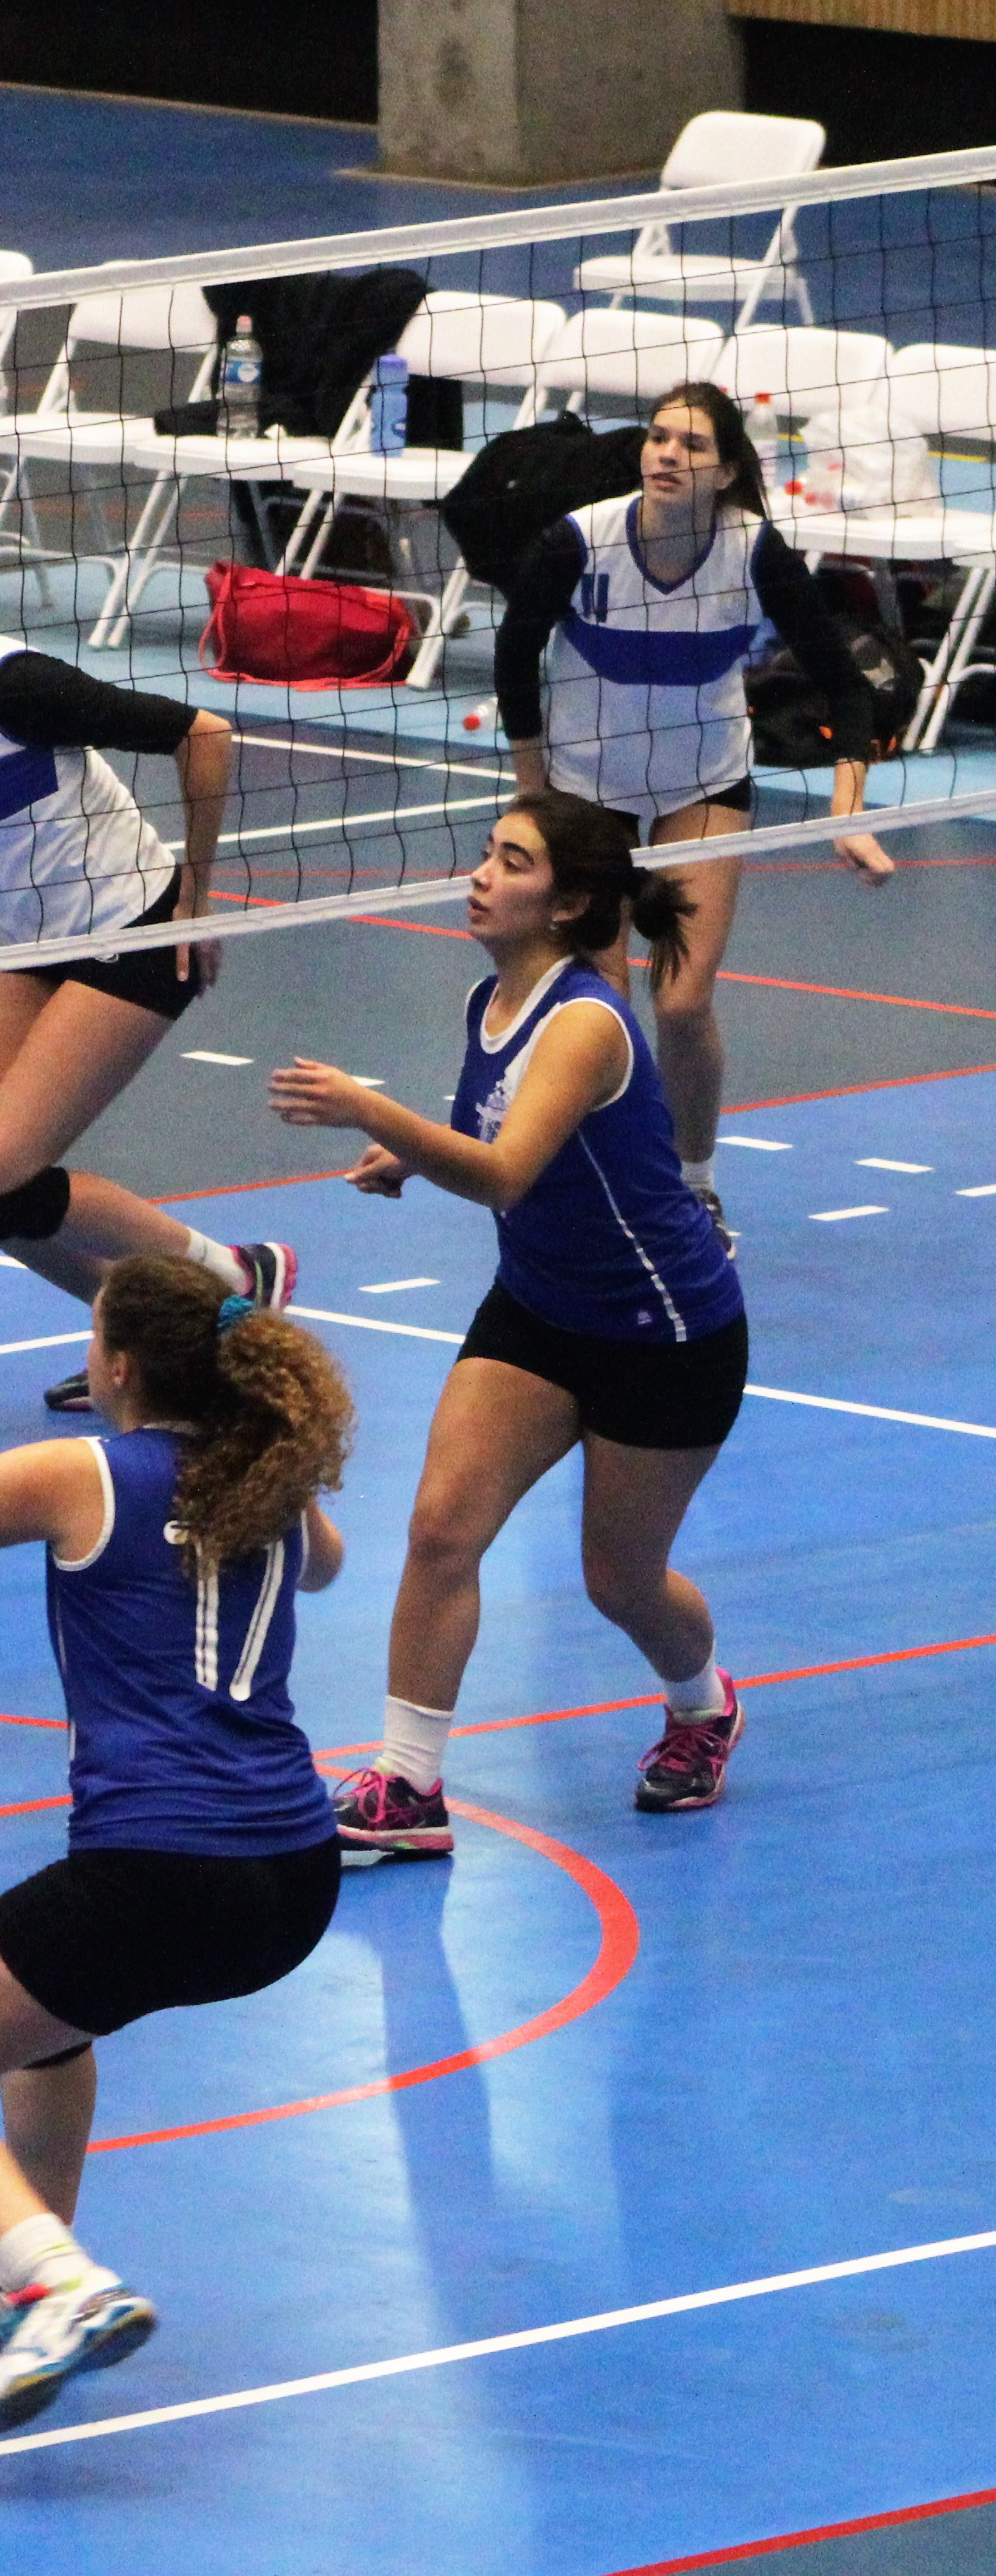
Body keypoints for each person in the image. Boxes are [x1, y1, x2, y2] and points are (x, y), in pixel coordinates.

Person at [0, 1258, 351, 2437]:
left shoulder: (85, 1473)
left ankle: (59, 2282)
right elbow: (326, 1563)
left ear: (117, 1367)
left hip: (162, 1871)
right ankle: (24, 2286)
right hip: (295, 1878)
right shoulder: (267, 1484)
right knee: (46, 2018)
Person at [268, 793, 751, 1860]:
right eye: (488, 853)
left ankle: (704, 1705)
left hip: (664, 1335)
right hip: (538, 1309)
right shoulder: (490, 999)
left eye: (513, 862)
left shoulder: (584, 1022)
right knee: (442, 1528)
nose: (481, 875)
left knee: (619, 1579)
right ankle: (408, 1788)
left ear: (568, 904)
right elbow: (485, 1126)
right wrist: (412, 1153)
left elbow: (503, 1174)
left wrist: (369, 1109)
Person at [0, 495, 295, 1409]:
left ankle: (235, 1277)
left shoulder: (10, 685)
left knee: (3, 1175)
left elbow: (203, 735)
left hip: (131, 929)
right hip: (41, 941)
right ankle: (141, 1341)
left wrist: (195, 903)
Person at [492, 378, 894, 1209]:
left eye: (693, 444)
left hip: (703, 784)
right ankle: (603, 1186)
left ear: (726, 470)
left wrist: (846, 812)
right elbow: (513, 661)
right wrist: (534, 798)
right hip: (586, 790)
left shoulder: (755, 552)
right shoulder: (579, 542)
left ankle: (694, 1185)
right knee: (599, 1007)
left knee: (681, 1002)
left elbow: (847, 688)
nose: (668, 454)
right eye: (659, 438)